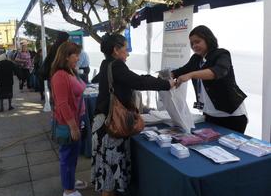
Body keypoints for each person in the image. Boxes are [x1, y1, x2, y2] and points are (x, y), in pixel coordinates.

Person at [91, 33, 174, 196]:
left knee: (106, 170)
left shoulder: (105, 63)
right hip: (111, 126)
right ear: (116, 50)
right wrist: (167, 84)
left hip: (102, 123)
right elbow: (139, 81)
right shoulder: (117, 65)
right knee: (109, 176)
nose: (127, 53)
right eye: (125, 49)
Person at [172, 25, 248, 133]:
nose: (194, 46)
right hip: (209, 114)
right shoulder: (196, 59)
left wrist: (191, 74)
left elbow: (219, 71)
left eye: (197, 42)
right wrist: (167, 76)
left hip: (231, 116)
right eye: (192, 43)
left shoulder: (221, 54)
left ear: (208, 39)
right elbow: (180, 71)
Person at [51, 42, 86, 196]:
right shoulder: (60, 75)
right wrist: (72, 126)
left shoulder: (71, 71)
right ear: (66, 56)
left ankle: (70, 180)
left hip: (78, 119)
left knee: (73, 155)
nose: (78, 58)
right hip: (68, 122)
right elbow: (62, 104)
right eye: (75, 55)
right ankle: (68, 190)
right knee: (67, 156)